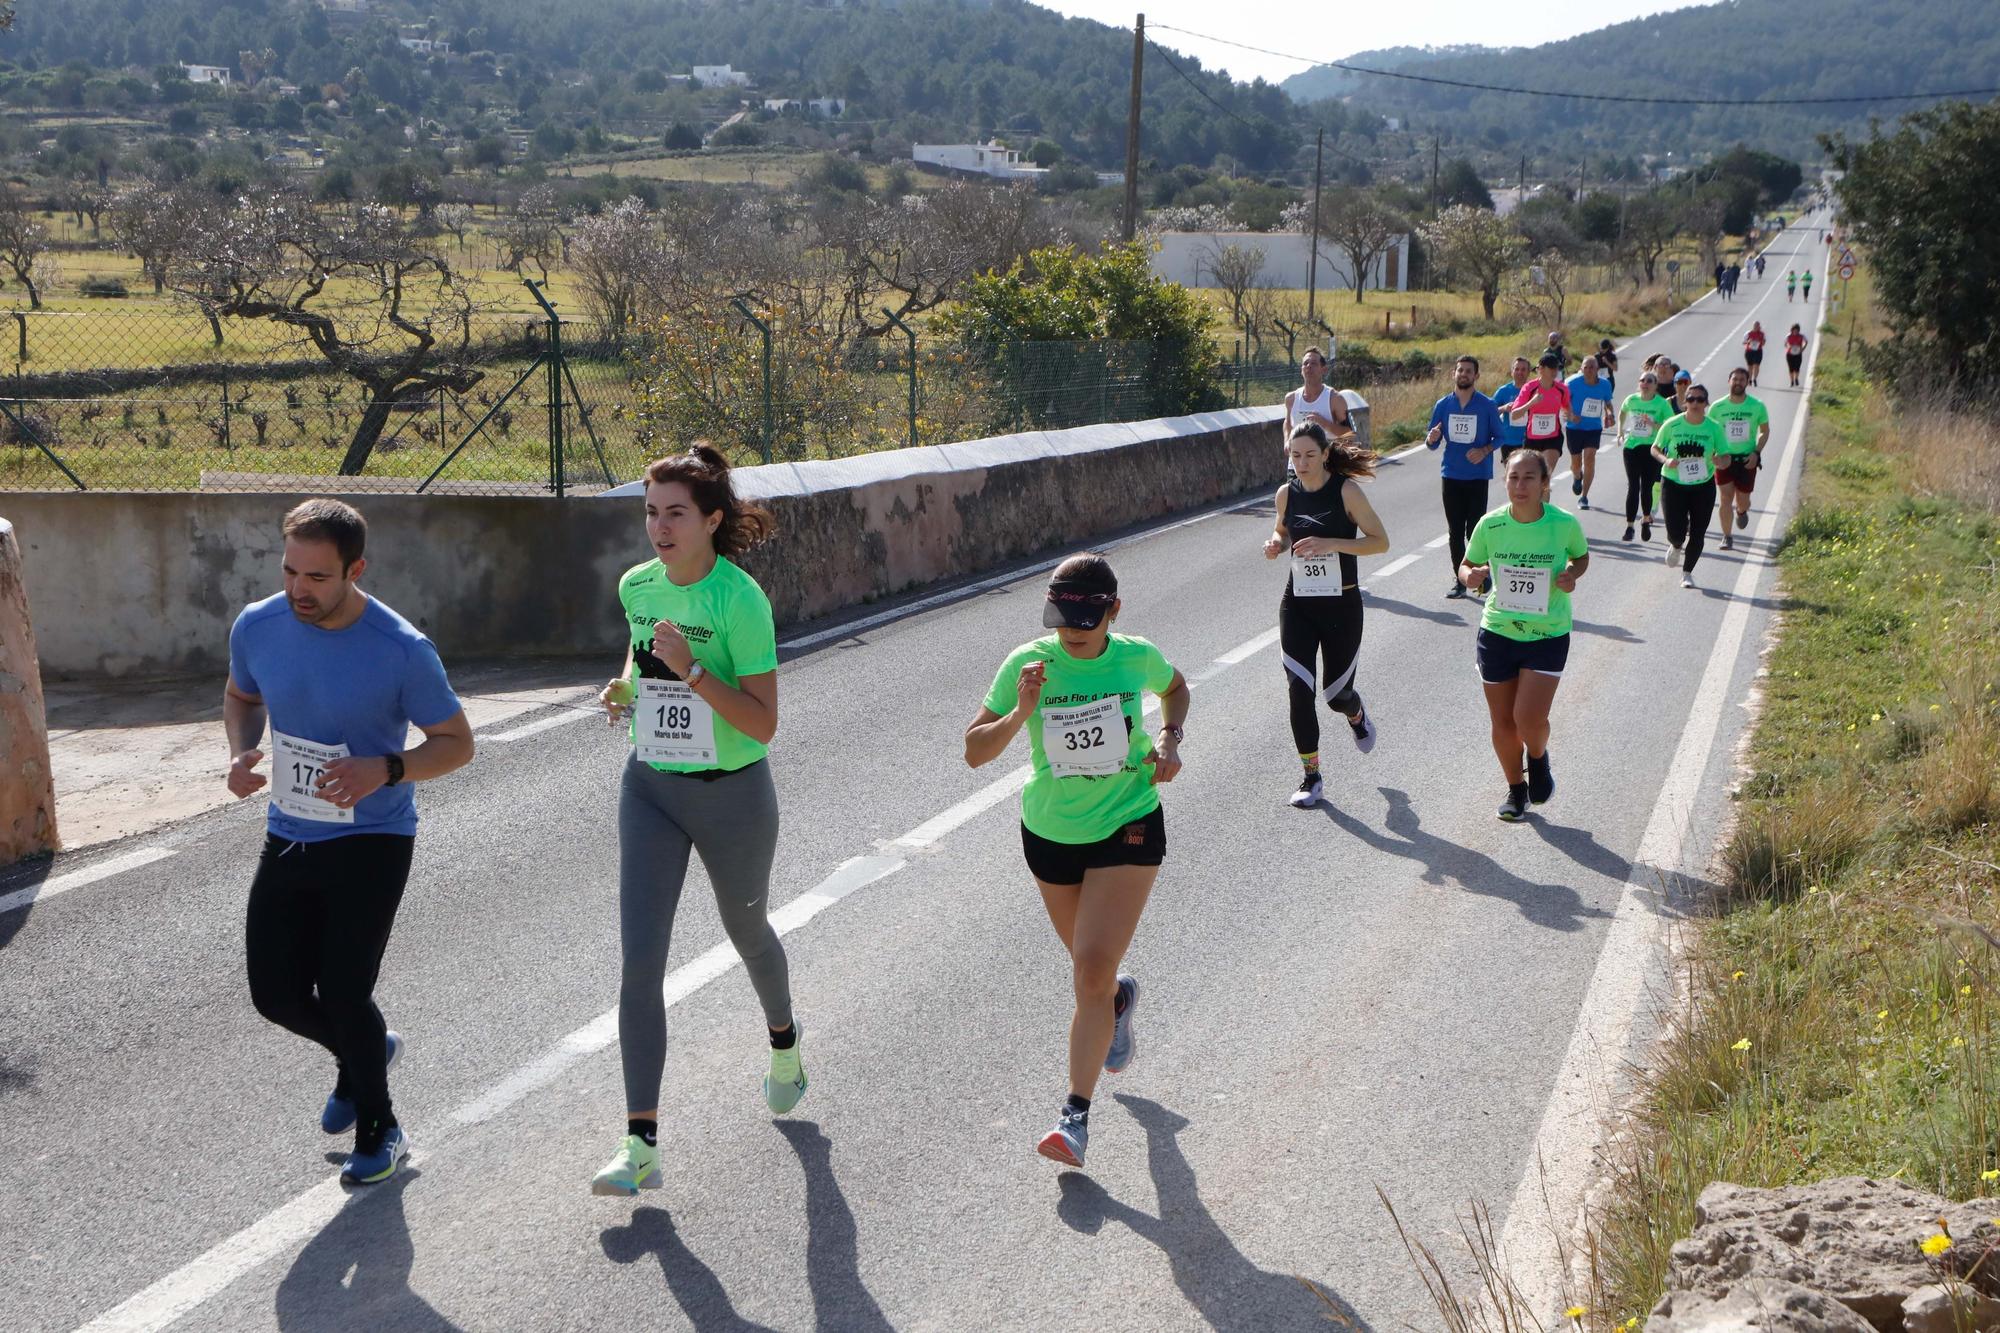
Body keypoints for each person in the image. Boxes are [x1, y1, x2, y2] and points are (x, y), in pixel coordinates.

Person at [224, 498, 475, 1187]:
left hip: (374, 835)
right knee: (274, 994)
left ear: (355, 569)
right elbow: (242, 697)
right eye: (289, 571)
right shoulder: (259, 625)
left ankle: (381, 1124)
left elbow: (458, 744)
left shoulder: (401, 649)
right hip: (291, 830)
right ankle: (365, 1050)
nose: (299, 589)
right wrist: (244, 752)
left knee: (341, 986)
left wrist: (384, 768)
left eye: (318, 576)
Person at [590, 444, 804, 1197]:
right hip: (650, 786)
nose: (659, 527)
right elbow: (637, 654)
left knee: (747, 929)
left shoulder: (739, 600)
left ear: (712, 519)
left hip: (732, 792)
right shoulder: (638, 585)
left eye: (675, 512)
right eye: (650, 511)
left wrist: (692, 669)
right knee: (639, 962)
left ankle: (784, 1040)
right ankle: (639, 1141)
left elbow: (764, 721)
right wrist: (624, 688)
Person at [965, 554, 1191, 1168]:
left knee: (1088, 972)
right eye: (1063, 616)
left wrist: (1170, 738)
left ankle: (1074, 1117)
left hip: (1129, 819)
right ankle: (1117, 1003)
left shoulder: (1133, 655)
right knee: (1093, 973)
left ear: (1113, 611)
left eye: (1087, 617)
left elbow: (1175, 688)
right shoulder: (1026, 664)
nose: (1074, 629)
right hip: (1051, 831)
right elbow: (973, 754)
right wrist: (1020, 711)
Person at [1458, 451, 1589, 822]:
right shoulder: (1491, 525)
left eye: (1529, 478)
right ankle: (1516, 790)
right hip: (1498, 631)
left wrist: (1571, 575)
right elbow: (1467, 563)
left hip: (1548, 632)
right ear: (1505, 481)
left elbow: (1580, 557)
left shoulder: (1563, 524)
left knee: (1528, 718)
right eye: (1513, 478)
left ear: (1545, 483)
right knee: (1502, 722)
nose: (1520, 486)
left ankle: (1538, 756)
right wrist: (1469, 575)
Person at [1264, 421, 1389, 805]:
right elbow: (1282, 532)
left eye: (1309, 455)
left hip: (1342, 606)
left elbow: (1380, 542)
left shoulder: (1346, 491)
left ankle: (1356, 714)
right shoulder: (1286, 494)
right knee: (1298, 691)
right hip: (1298, 604)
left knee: (1335, 695)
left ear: (1324, 455)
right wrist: (1275, 542)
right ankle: (1311, 777)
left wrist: (1330, 543)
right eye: (1295, 455)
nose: (1301, 463)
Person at [1424, 355, 1502, 600]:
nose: (1464, 374)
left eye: (1469, 371)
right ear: (1453, 374)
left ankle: (1481, 575)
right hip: (1451, 474)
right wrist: (1432, 438)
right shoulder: (1443, 405)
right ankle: (1460, 580)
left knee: (1474, 531)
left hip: (1477, 477)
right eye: (1460, 370)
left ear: (1476, 376)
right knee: (1455, 531)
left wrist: (1484, 451)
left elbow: (1500, 437)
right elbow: (1431, 442)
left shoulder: (1487, 405)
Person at [1651, 383, 1726, 589]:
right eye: (1691, 399)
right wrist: (1666, 460)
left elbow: (1726, 456)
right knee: (1676, 530)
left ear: (1706, 403)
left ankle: (1687, 573)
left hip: (1703, 485)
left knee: (1698, 532)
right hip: (1674, 483)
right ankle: (1676, 544)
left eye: (1700, 399)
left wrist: (1721, 461)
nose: (1695, 403)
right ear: (1685, 403)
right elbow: (1655, 448)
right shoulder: (1672, 424)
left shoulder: (1714, 428)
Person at [1708, 367, 1771, 548]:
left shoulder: (1757, 406)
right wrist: (1713, 455)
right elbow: (1709, 431)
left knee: (1742, 501)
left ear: (1747, 382)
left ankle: (1742, 512)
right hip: (1724, 458)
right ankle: (1727, 536)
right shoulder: (1717, 407)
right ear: (1729, 381)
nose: (1738, 382)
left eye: (1742, 379)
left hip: (1746, 459)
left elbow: (1765, 431)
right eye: (1735, 379)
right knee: (1725, 498)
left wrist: (1756, 453)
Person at [1618, 369, 1673, 543]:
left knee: (1646, 487)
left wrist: (1653, 424)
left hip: (1651, 448)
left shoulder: (1661, 404)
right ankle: (1629, 527)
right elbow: (1622, 412)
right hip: (1632, 447)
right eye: (1643, 380)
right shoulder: (1631, 399)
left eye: (1650, 381)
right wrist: (1620, 431)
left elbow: (1669, 425)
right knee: (1633, 486)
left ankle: (1646, 519)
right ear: (1639, 383)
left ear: (1656, 386)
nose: (1646, 383)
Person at [1281, 346, 1351, 470]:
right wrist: (1287, 440)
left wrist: (1323, 423)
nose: (1309, 366)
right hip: (1297, 467)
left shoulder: (1334, 399)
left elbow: (1349, 434)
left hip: (1327, 465)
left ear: (1323, 369)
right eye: (1305, 363)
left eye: (1314, 363)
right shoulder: (1291, 399)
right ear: (1301, 370)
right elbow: (1287, 423)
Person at [1505, 351, 1570, 476]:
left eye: (1556, 367)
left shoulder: (1562, 389)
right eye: (1551, 367)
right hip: (1532, 439)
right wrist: (1531, 403)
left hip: (1553, 437)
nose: (1554, 371)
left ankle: (1544, 492)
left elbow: (1567, 407)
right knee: (1534, 477)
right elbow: (1514, 415)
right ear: (1541, 369)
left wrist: (1571, 415)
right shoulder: (1529, 388)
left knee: (1545, 475)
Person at [1563, 355, 1615, 509]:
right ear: (1581, 369)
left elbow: (1607, 402)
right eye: (1586, 367)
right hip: (1574, 427)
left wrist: (1610, 413)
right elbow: (1563, 402)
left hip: (1593, 427)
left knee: (1590, 458)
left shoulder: (1604, 384)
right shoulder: (1572, 383)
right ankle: (1577, 476)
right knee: (1576, 463)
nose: (1589, 370)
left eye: (1592, 367)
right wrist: (1571, 415)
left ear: (1597, 369)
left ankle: (1584, 497)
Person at [1489, 356, 1532, 466]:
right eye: (1516, 369)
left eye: (1523, 369)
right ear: (1512, 371)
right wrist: (1503, 408)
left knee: (1529, 474)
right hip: (1508, 440)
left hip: (1531, 439)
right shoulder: (1503, 391)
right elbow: (1490, 413)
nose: (1519, 372)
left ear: (1528, 372)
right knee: (1511, 475)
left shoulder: (1534, 390)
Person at [1742, 321, 1767, 387]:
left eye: (1758, 326)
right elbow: (1743, 342)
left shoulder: (1762, 334)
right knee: (1750, 367)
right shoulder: (1748, 333)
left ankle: (1754, 379)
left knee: (1757, 365)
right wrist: (1748, 341)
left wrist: (1760, 341)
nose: (1756, 327)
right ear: (1753, 326)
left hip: (1758, 351)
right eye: (1755, 326)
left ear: (1759, 327)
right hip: (1749, 351)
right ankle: (1749, 379)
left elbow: (1764, 343)